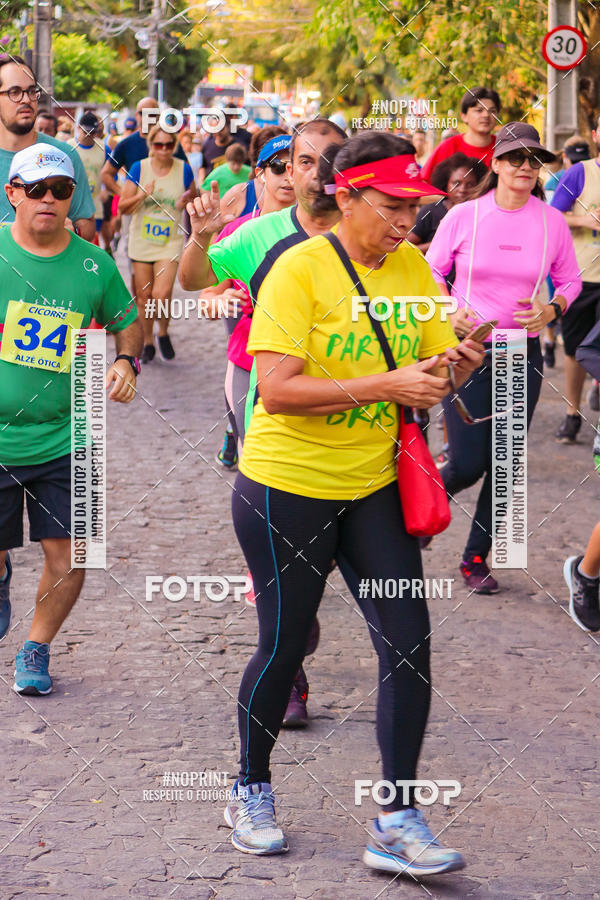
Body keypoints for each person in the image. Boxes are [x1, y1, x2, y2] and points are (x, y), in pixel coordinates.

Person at [221, 131, 484, 872]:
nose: (407, 220)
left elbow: (427, 375)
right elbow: (275, 388)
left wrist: (453, 368)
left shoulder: (411, 268)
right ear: (347, 194)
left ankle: (396, 818)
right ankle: (250, 787)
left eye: (416, 206)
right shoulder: (299, 269)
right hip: (286, 488)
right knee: (283, 643)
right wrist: (388, 385)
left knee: (409, 641)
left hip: (371, 487)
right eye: (394, 205)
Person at [181, 118, 348, 727]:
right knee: (283, 549)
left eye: (325, 161)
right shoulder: (257, 235)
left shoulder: (370, 231)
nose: (305, 174)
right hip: (270, 405)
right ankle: (292, 669)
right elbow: (195, 280)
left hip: (356, 425)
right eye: (291, 164)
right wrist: (201, 239)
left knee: (329, 556)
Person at [0, 142, 142, 694]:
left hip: (72, 431)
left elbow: (126, 320)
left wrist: (127, 359)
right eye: (35, 189)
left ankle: (35, 649)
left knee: (76, 551)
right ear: (12, 194)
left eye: (60, 190)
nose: (49, 200)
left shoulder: (94, 263)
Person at [426, 123, 581, 593]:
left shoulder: (550, 221)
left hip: (521, 353)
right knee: (468, 463)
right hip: (469, 351)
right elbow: (430, 271)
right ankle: (417, 512)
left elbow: (570, 280)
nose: (525, 168)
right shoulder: (465, 217)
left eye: (534, 161)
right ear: (494, 163)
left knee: (507, 461)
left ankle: (476, 556)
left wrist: (550, 309)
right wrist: (450, 310)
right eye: (515, 158)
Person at [119, 124, 196, 363]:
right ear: (151, 146)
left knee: (161, 294)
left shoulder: (183, 169)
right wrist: (142, 194)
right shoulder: (138, 169)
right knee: (144, 297)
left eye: (169, 145)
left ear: (174, 146)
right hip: (141, 240)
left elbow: (194, 197)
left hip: (169, 241)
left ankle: (163, 333)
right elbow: (123, 207)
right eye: (158, 145)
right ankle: (148, 341)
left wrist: (188, 200)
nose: (164, 150)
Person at [0, 54, 95, 239]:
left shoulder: (64, 155)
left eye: (31, 91)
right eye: (15, 92)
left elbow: (88, 225)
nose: (26, 100)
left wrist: (73, 232)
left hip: (49, 266)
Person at [551, 116, 600, 442]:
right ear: (596, 134)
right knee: (574, 351)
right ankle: (572, 412)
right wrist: (585, 218)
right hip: (583, 277)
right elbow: (553, 214)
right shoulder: (581, 172)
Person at [408, 152, 487, 254]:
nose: (463, 189)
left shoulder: (482, 213)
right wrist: (442, 242)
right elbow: (407, 249)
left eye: (470, 184)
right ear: (446, 184)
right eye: (456, 183)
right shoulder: (430, 211)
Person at [421, 87, 501, 181]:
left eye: (492, 111)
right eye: (479, 110)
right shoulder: (448, 147)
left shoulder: (504, 148)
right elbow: (423, 183)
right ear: (464, 116)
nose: (486, 115)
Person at [219, 125, 288, 221]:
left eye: (291, 164)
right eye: (276, 165)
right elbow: (217, 231)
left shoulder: (302, 196)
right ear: (259, 168)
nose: (288, 176)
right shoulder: (239, 193)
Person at [67, 111, 106, 243]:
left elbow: (111, 173)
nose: (89, 135)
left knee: (92, 243)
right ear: (78, 128)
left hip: (96, 205)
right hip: (73, 206)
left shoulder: (104, 148)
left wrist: (107, 189)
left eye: (93, 132)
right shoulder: (68, 147)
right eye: (86, 131)